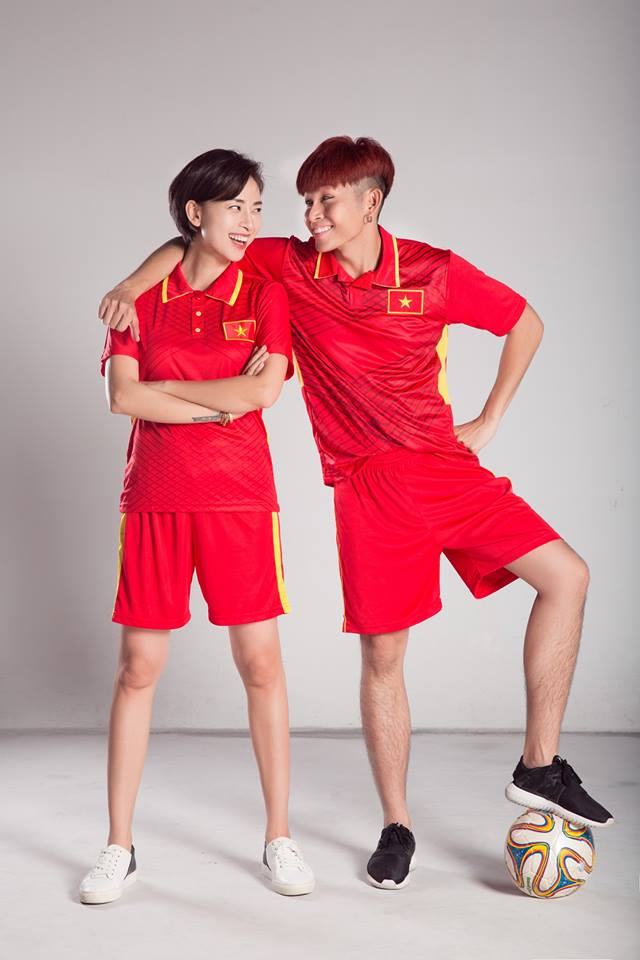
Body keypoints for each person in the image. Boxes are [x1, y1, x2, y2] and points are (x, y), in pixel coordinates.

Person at [98, 136, 614, 891]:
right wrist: (128, 281)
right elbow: (190, 242)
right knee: (383, 658)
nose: (308, 216)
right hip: (367, 489)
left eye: (325, 201)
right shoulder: (288, 267)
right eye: (304, 201)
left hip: (444, 470)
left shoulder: (433, 270)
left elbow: (525, 321)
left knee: (568, 576)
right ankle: (396, 826)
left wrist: (490, 417)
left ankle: (539, 767)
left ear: (371, 203)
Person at [80, 148, 315, 904]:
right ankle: (119, 846)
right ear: (195, 213)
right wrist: (217, 404)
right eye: (235, 206)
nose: (249, 221)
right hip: (155, 497)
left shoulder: (266, 293)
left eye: (256, 207)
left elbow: (264, 393)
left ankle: (279, 836)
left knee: (262, 665)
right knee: (137, 669)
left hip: (240, 498)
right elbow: (123, 397)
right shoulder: (140, 299)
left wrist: (173, 391)